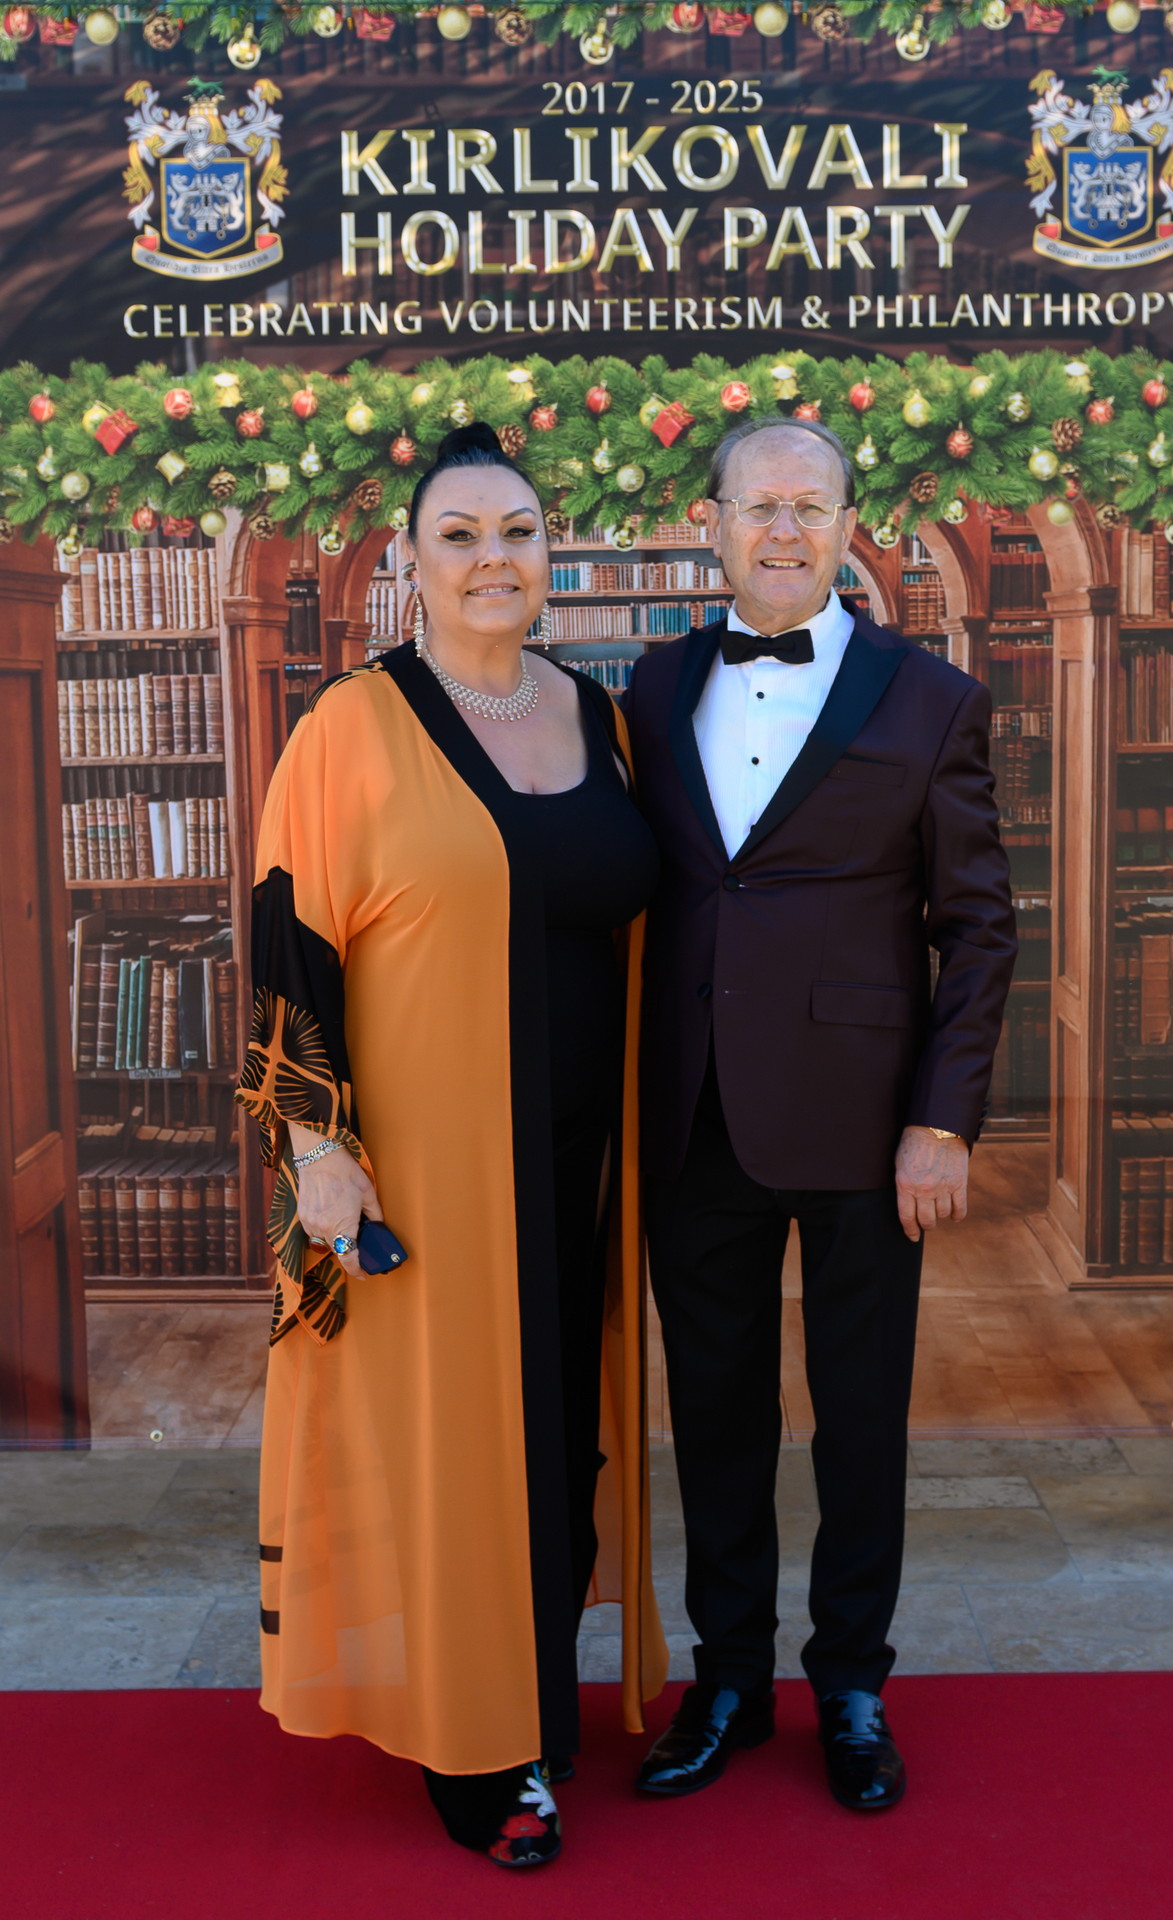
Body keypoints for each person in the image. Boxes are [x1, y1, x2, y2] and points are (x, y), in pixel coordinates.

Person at [234, 423, 667, 1870]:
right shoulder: (350, 727)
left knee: (556, 1433)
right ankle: (472, 1747)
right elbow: (289, 943)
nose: (495, 559)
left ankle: (532, 1697)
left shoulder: (600, 717)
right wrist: (317, 1147)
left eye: (519, 532)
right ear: (412, 565)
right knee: (453, 1448)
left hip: (581, 1166)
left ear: (552, 554)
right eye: (461, 535)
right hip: (428, 1161)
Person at [621, 417, 1015, 1812]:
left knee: (859, 1419)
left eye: (810, 506)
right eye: (758, 506)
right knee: (713, 1415)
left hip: (866, 1122)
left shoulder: (933, 698)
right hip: (693, 1113)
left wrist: (943, 1121)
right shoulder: (652, 685)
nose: (783, 530)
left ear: (851, 527)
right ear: (712, 524)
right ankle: (728, 1678)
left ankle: (851, 1683)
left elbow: (979, 929)